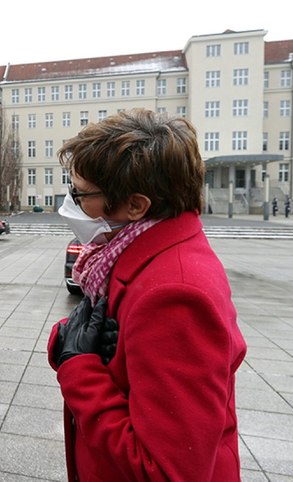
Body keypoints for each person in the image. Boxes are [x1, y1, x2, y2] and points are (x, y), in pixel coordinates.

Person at [48, 109, 247, 481]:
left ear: (136, 205)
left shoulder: (175, 295)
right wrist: (67, 338)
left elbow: (166, 471)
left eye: (80, 193)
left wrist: (79, 369)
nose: (72, 203)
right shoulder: (132, 252)